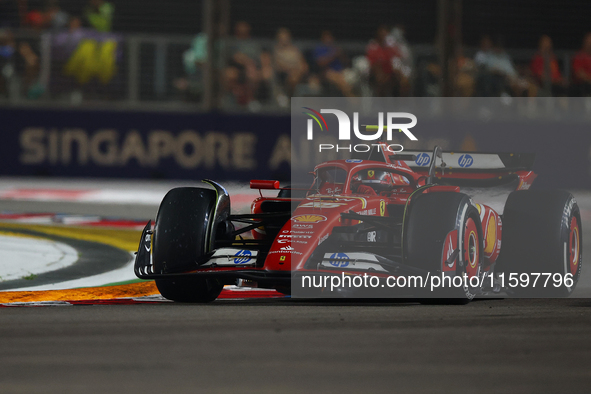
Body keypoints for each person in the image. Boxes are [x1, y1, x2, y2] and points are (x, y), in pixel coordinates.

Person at [366, 25, 403, 96]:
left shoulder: (390, 45)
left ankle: (401, 103)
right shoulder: (373, 44)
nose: (383, 35)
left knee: (402, 79)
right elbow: (372, 61)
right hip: (375, 72)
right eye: (381, 33)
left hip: (389, 71)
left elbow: (396, 57)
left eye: (385, 33)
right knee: (380, 75)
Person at [313, 30, 353, 97]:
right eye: (326, 38)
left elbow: (346, 63)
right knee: (342, 81)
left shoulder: (336, 48)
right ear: (322, 39)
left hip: (340, 72)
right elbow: (320, 63)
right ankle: (352, 99)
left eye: (329, 37)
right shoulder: (319, 49)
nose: (328, 39)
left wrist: (341, 55)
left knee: (352, 78)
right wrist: (333, 55)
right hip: (327, 73)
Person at [273, 27, 308, 97]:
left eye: (285, 37)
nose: (284, 39)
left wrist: (300, 70)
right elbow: (278, 65)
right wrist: (292, 70)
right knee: (293, 79)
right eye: (282, 37)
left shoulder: (295, 50)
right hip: (285, 75)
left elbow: (303, 64)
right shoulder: (277, 51)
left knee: (314, 82)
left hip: (299, 73)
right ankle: (292, 100)